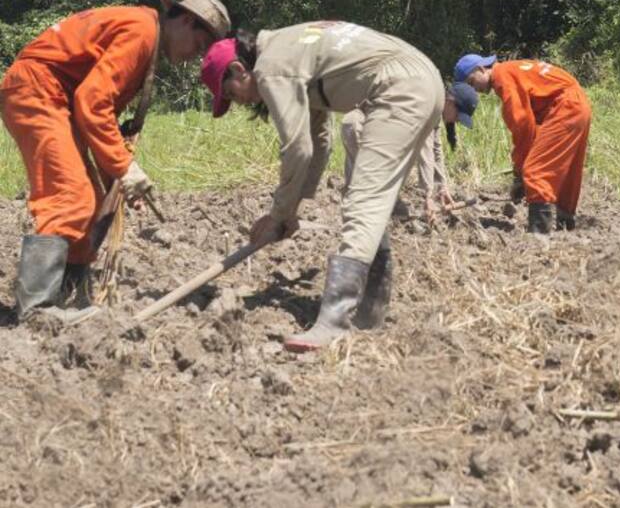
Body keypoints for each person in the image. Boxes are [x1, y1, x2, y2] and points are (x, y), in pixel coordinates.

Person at [200, 21, 442, 352]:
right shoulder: (289, 47)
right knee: (373, 197)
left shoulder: (271, 67)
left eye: (231, 93)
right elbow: (319, 140)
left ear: (239, 69)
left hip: (398, 89)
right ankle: (371, 310)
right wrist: (293, 210)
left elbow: (297, 148)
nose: (238, 102)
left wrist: (278, 214)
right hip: (421, 77)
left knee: (365, 200)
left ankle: (334, 322)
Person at [1, 0, 230, 320]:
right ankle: (37, 308)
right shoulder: (141, 32)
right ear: (186, 21)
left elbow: (96, 116)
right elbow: (93, 105)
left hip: (54, 96)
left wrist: (120, 181)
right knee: (70, 197)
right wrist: (125, 167)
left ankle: (69, 293)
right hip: (38, 91)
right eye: (200, 44)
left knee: (91, 200)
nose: (197, 55)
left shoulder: (145, 33)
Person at [454, 54, 591, 234]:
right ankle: (566, 224)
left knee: (535, 171)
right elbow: (530, 129)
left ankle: (539, 234)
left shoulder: (502, 75)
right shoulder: (513, 68)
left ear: (481, 69)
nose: (475, 90)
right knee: (566, 171)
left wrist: (520, 174)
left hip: (565, 106)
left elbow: (523, 126)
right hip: (578, 104)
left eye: (472, 82)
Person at [340, 81, 479, 224]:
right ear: (450, 102)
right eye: (457, 116)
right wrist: (428, 196)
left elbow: (435, 148)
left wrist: (441, 187)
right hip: (361, 126)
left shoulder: (435, 107)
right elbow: (424, 150)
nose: (456, 121)